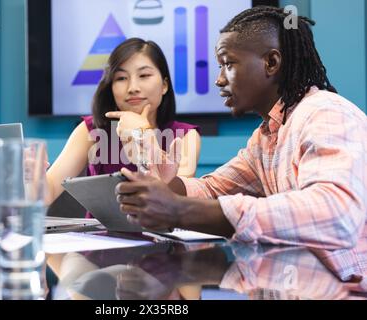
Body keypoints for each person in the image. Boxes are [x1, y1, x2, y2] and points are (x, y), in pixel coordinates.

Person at [115, 6, 367, 251]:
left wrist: (178, 210)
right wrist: (165, 184)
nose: (219, 79)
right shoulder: (265, 138)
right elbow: (213, 190)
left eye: (229, 64)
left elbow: (336, 216)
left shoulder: (326, 113)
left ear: (271, 62)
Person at [45, 38, 201, 214]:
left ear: (164, 85)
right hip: (99, 239)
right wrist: (30, 176)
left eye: (144, 76)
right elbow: (47, 191)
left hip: (162, 236)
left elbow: (176, 203)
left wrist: (143, 133)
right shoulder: (91, 129)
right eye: (121, 78)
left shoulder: (185, 136)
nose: (132, 87)